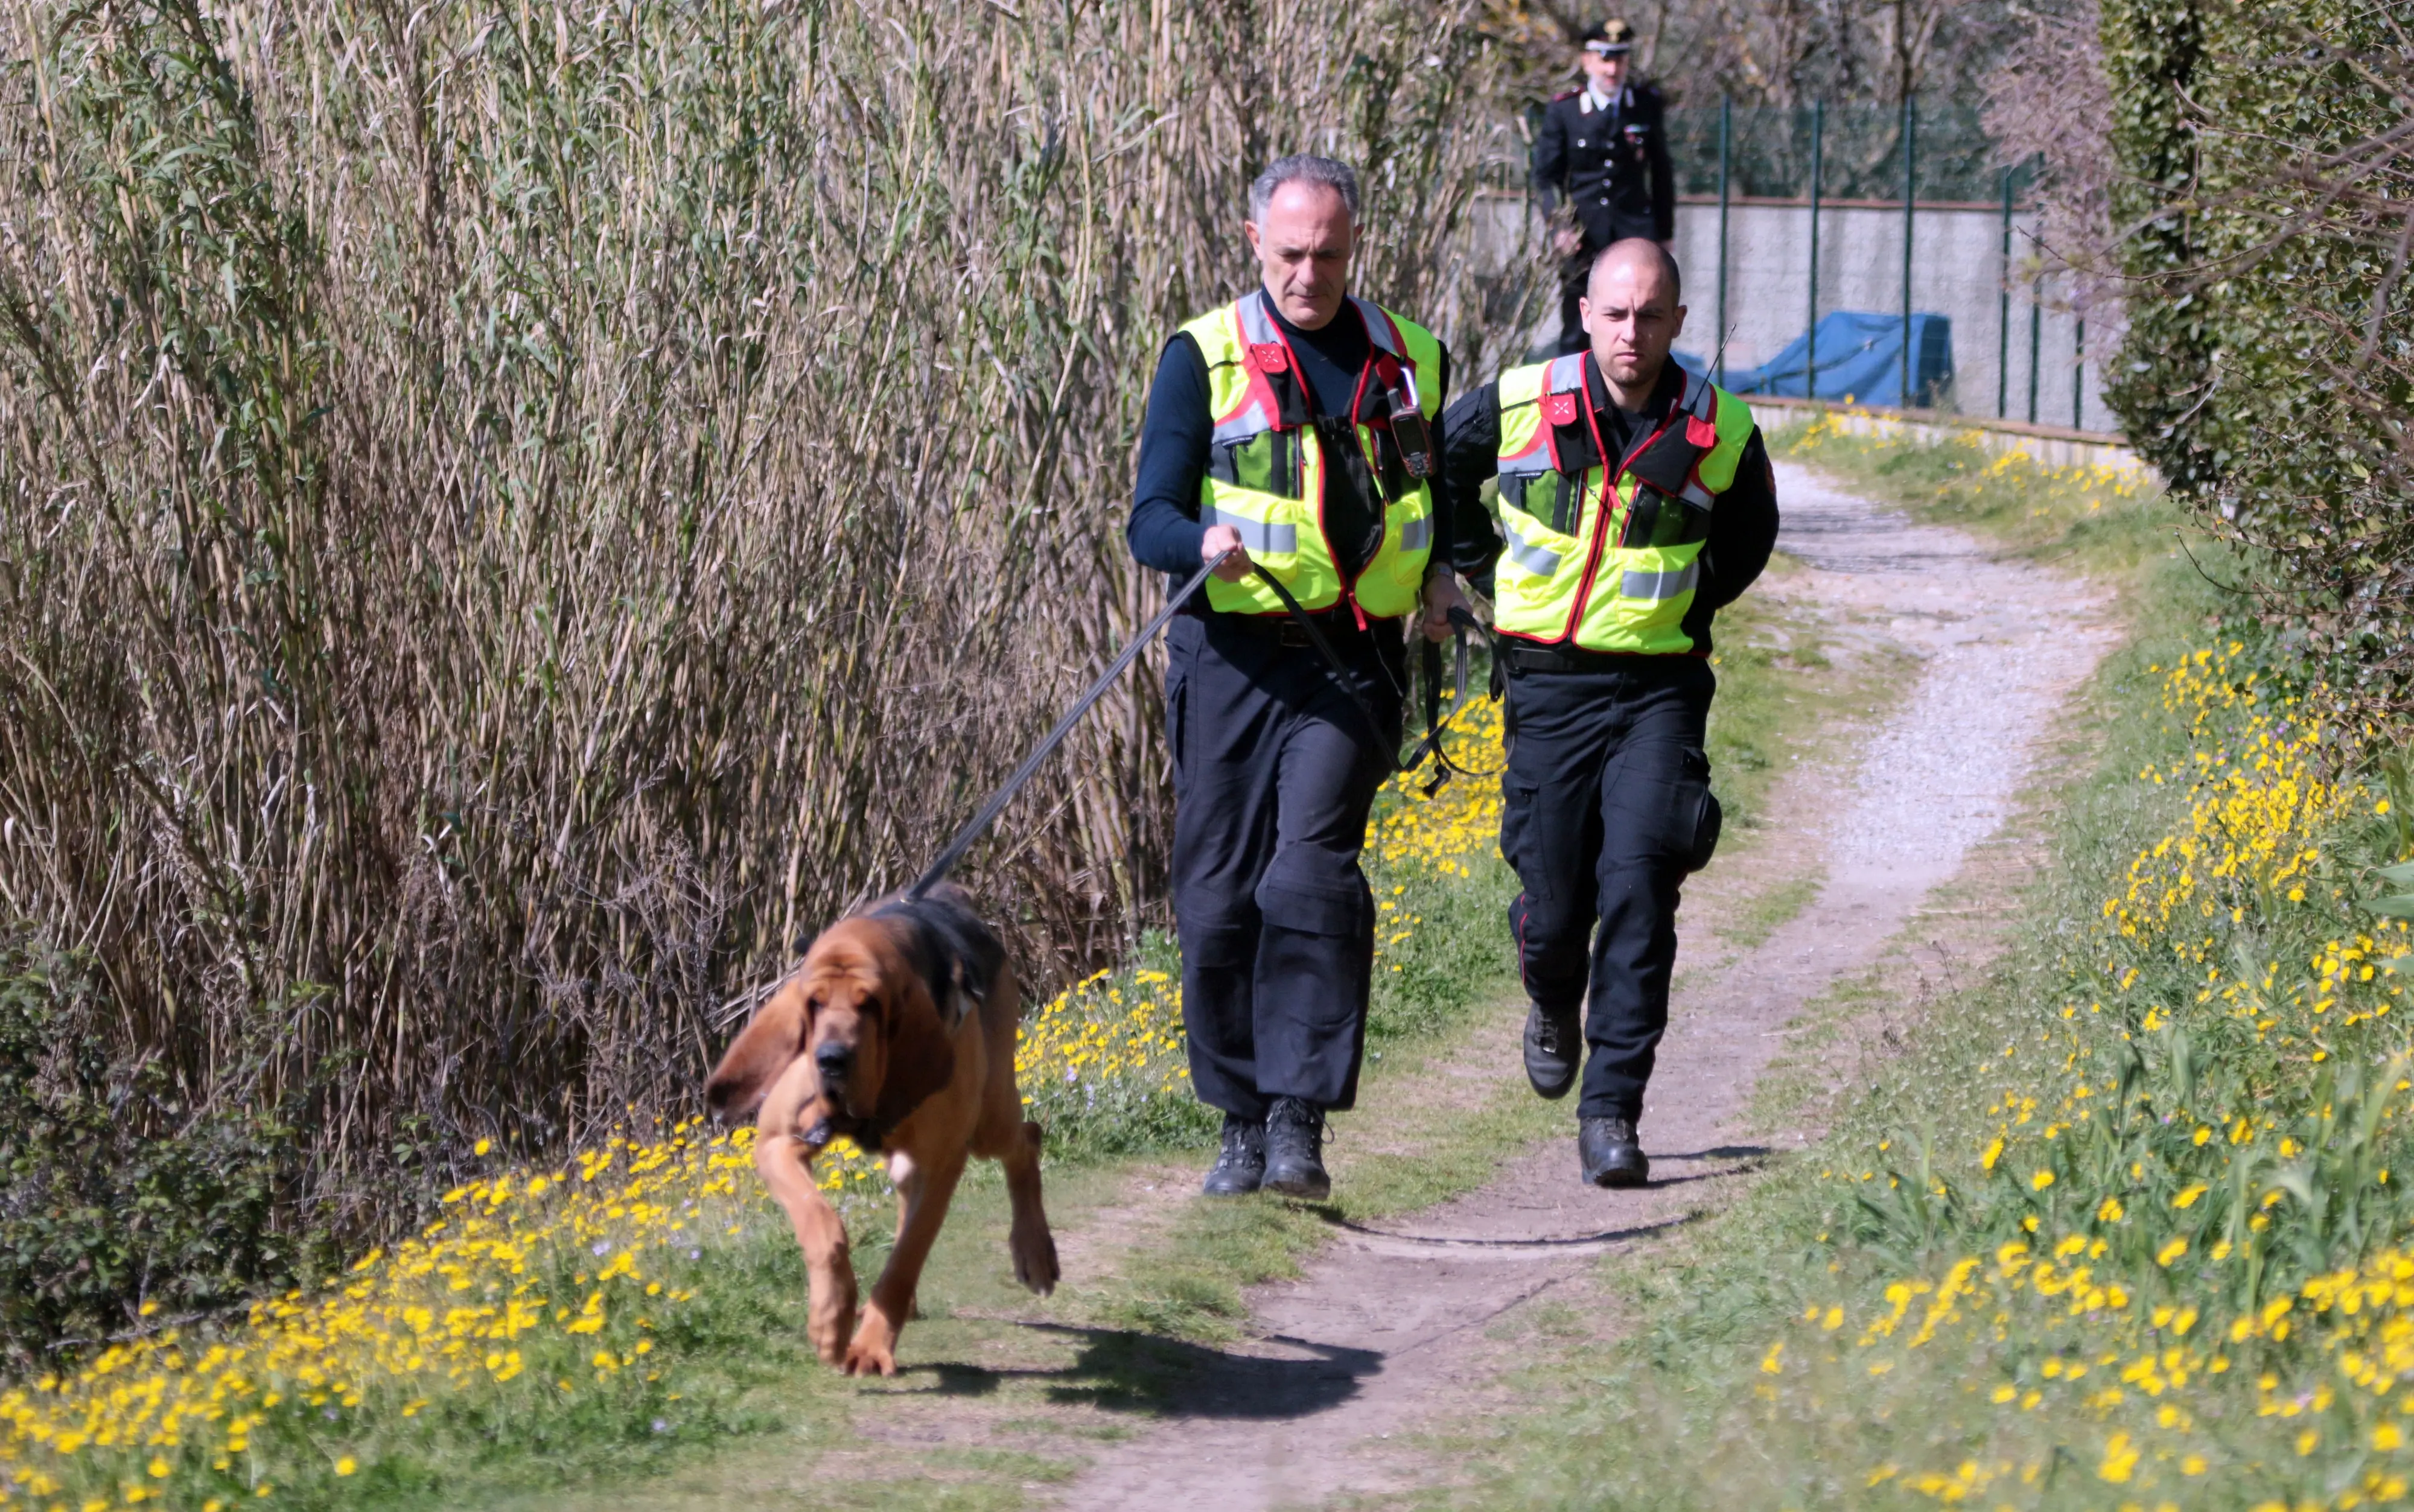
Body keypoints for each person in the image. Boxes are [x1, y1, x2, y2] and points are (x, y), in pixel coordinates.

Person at [1126, 156, 1483, 1199]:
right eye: (1289, 254)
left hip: (1353, 661)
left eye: (1328, 253)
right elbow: (1148, 516)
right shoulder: (1202, 356)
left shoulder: (1411, 357)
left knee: (1311, 876)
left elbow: (1433, 498)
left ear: (1353, 245)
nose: (1308, 274)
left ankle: (1298, 1123)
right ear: (1254, 244)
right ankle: (1238, 1120)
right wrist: (1201, 541)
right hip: (1231, 656)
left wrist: (1446, 580)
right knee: (1220, 899)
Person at [1439, 240, 1779, 1187]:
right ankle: (1550, 990)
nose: (1633, 333)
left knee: (1640, 885)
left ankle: (1613, 1113)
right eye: (1616, 314)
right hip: (1547, 681)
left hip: (1660, 691)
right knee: (1557, 909)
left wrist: (1687, 606)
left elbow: (1749, 540)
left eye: (1652, 315)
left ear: (1677, 321)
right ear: (1587, 312)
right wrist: (1477, 570)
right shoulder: (1520, 402)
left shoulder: (1724, 427)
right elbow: (1434, 470)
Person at [1531, 19, 1675, 357]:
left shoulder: (1645, 105)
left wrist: (1665, 234)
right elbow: (1544, 177)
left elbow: (1662, 173)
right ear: (1587, 61)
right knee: (1578, 327)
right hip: (1583, 239)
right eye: (1604, 59)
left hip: (1634, 233)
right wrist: (1560, 226)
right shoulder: (1565, 109)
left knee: (1642, 322)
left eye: (1620, 59)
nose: (1612, 69)